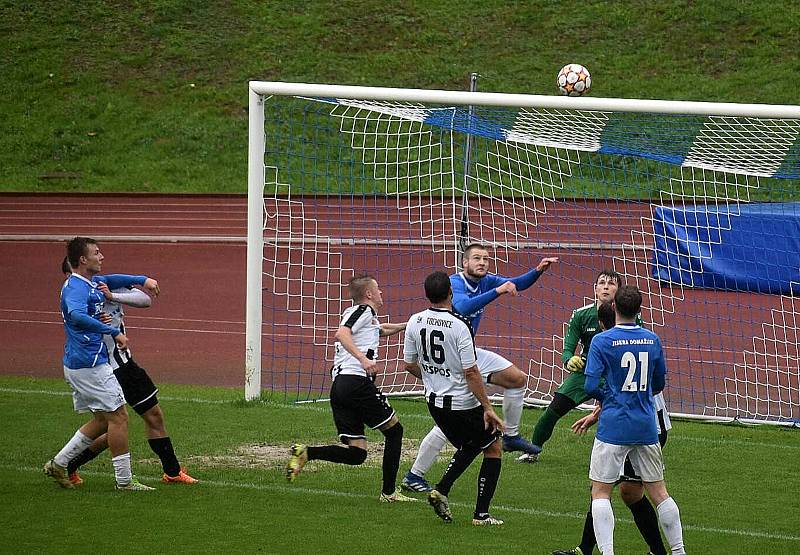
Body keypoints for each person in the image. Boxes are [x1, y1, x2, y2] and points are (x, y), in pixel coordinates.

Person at [401, 244, 558, 492]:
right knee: (452, 419)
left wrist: (537, 270)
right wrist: (498, 291)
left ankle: (512, 436)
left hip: (470, 352)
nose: (483, 262)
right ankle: (414, 475)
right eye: (476, 258)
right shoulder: (455, 284)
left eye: (486, 258)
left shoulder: (485, 281)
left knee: (516, 378)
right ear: (464, 263)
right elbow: (462, 308)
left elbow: (516, 283)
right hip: (456, 357)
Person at [60, 258, 198, 486]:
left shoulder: (102, 285)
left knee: (151, 416)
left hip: (125, 364)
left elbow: (144, 299)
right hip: (104, 368)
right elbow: (78, 322)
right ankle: (70, 465)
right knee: (111, 426)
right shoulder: (77, 299)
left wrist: (119, 293)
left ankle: (172, 471)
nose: (101, 258)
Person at [553, 301, 672, 555]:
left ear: (603, 324)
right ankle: (587, 548)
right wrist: (597, 413)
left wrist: (601, 409)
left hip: (639, 424)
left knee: (605, 489)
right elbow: (635, 389)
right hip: (645, 423)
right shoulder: (646, 339)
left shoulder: (608, 342)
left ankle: (652, 551)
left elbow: (617, 392)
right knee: (626, 492)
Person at [285, 274, 415, 503]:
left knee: (357, 454)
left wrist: (409, 325)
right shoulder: (362, 311)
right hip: (355, 383)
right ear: (369, 294)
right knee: (395, 431)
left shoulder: (366, 317)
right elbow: (341, 334)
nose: (382, 292)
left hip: (341, 387)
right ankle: (389, 493)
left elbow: (381, 329)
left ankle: (306, 452)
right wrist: (364, 360)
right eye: (378, 289)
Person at [45, 237, 158, 491]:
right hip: (89, 364)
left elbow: (115, 279)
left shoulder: (90, 282)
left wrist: (142, 280)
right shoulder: (75, 288)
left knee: (102, 420)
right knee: (119, 417)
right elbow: (75, 314)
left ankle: (60, 463)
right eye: (96, 253)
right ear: (83, 260)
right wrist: (111, 330)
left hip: (84, 362)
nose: (102, 256)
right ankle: (125, 481)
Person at [581, 285, 685, 554]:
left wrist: (612, 396)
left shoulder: (602, 341)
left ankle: (607, 552)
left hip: (614, 426)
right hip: (646, 424)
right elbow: (659, 383)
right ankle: (679, 551)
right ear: (639, 310)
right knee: (660, 493)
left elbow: (590, 386)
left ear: (613, 307)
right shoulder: (652, 339)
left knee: (601, 492)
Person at [403, 271, 506, 525]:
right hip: (461, 403)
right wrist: (487, 406)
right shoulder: (460, 325)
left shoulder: (414, 321)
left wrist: (433, 378)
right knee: (493, 445)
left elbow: (409, 365)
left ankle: (442, 489)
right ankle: (480, 514)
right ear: (450, 292)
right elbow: (471, 371)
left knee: (473, 445)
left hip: (434, 403)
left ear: (427, 294)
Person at [527, 270, 636, 463]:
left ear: (619, 291)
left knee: (620, 416)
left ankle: (625, 460)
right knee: (552, 411)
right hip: (586, 371)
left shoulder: (630, 316)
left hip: (616, 374)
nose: (605, 286)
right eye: (601, 283)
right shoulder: (581, 314)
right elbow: (567, 349)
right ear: (595, 289)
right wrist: (569, 360)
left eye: (611, 284)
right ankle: (532, 451)